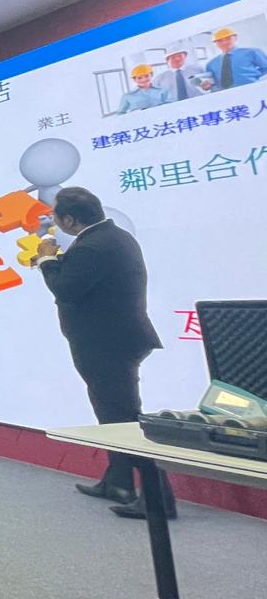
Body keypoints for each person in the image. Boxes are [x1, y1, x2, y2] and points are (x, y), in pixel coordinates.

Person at [34, 187, 172, 519]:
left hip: (106, 343)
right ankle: (118, 481)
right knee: (113, 415)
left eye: (55, 216)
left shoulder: (93, 246)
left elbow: (66, 289)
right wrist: (56, 261)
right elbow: (88, 278)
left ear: (69, 219)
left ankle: (158, 498)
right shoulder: (111, 238)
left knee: (122, 420)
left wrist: (47, 260)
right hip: (114, 340)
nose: (53, 221)